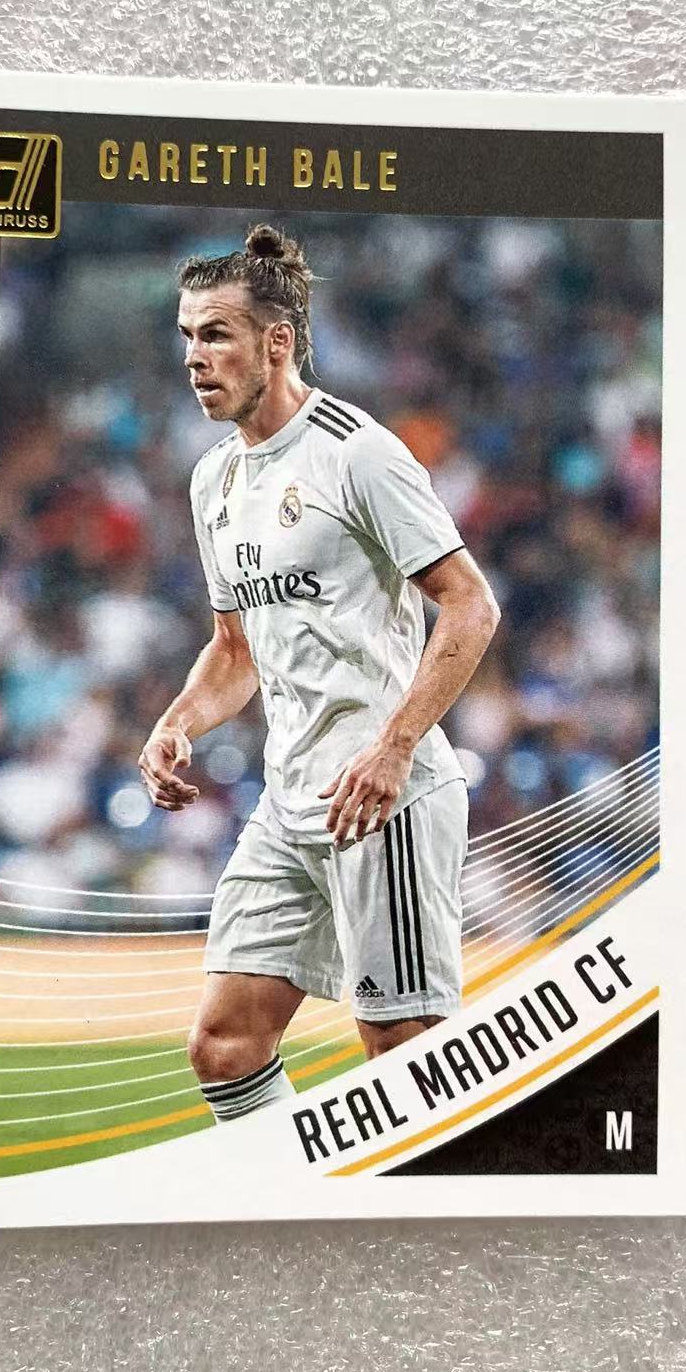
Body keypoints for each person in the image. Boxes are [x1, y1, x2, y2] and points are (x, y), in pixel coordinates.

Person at [138, 225, 500, 1123]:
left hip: (385, 799)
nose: (194, 357)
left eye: (215, 334)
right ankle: (292, 1195)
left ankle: (442, 1208)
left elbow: (470, 605)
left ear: (278, 342)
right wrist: (178, 721)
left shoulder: (356, 451)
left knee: (402, 1052)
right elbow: (235, 649)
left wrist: (394, 748)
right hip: (290, 800)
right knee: (223, 1044)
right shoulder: (214, 479)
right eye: (186, 336)